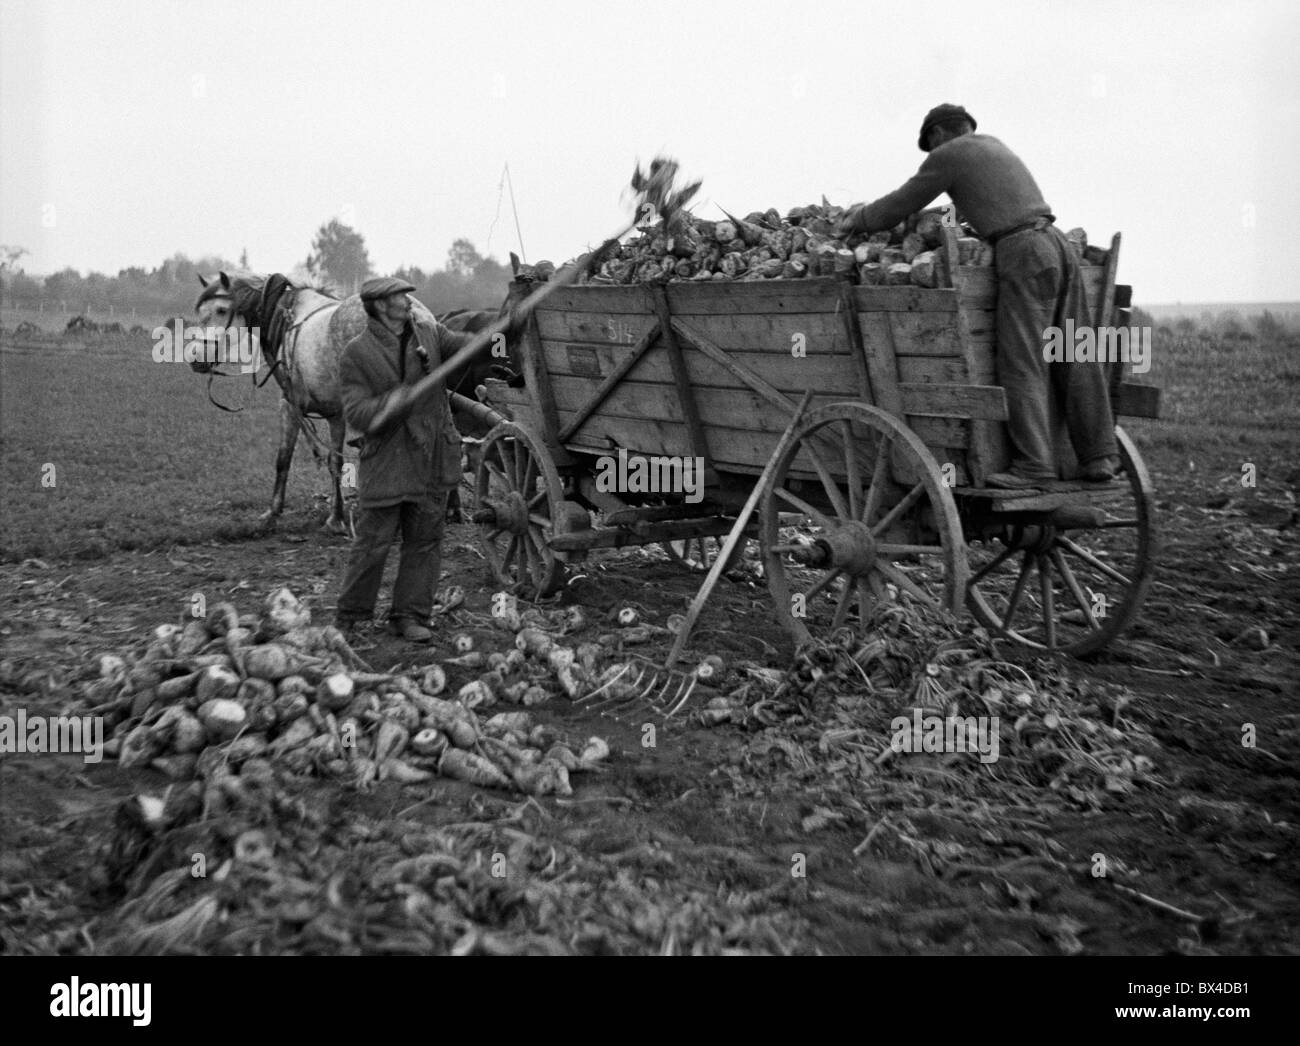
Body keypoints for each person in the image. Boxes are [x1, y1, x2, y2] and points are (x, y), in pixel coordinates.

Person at [837, 104, 1121, 488]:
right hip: (1056, 244)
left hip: (1022, 250)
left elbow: (900, 204)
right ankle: (1098, 457)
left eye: (929, 146)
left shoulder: (949, 154)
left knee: (1022, 360)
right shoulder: (993, 147)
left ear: (937, 136)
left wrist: (859, 218)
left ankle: (1034, 466)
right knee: (1073, 351)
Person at [334, 276, 475, 643]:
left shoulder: (430, 335)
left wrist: (502, 335)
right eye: (400, 295)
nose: (408, 300)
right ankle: (351, 616)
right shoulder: (356, 353)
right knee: (373, 542)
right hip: (389, 461)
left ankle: (410, 616)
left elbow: (466, 348)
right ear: (381, 306)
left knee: (425, 540)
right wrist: (393, 401)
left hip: (431, 455)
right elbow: (357, 413)